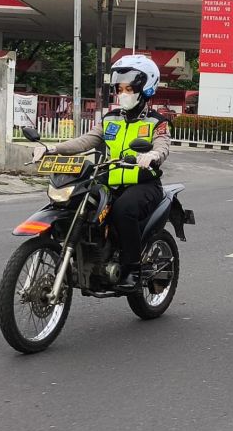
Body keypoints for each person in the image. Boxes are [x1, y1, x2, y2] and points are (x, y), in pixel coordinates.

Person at [32, 55, 170, 289]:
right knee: (78, 202)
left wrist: (152, 156)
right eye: (120, 88)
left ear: (145, 89)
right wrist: (53, 148)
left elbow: (162, 146)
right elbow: (86, 141)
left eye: (129, 88)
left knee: (123, 210)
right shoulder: (110, 119)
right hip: (109, 181)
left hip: (143, 184)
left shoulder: (157, 122)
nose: (123, 93)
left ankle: (132, 268)